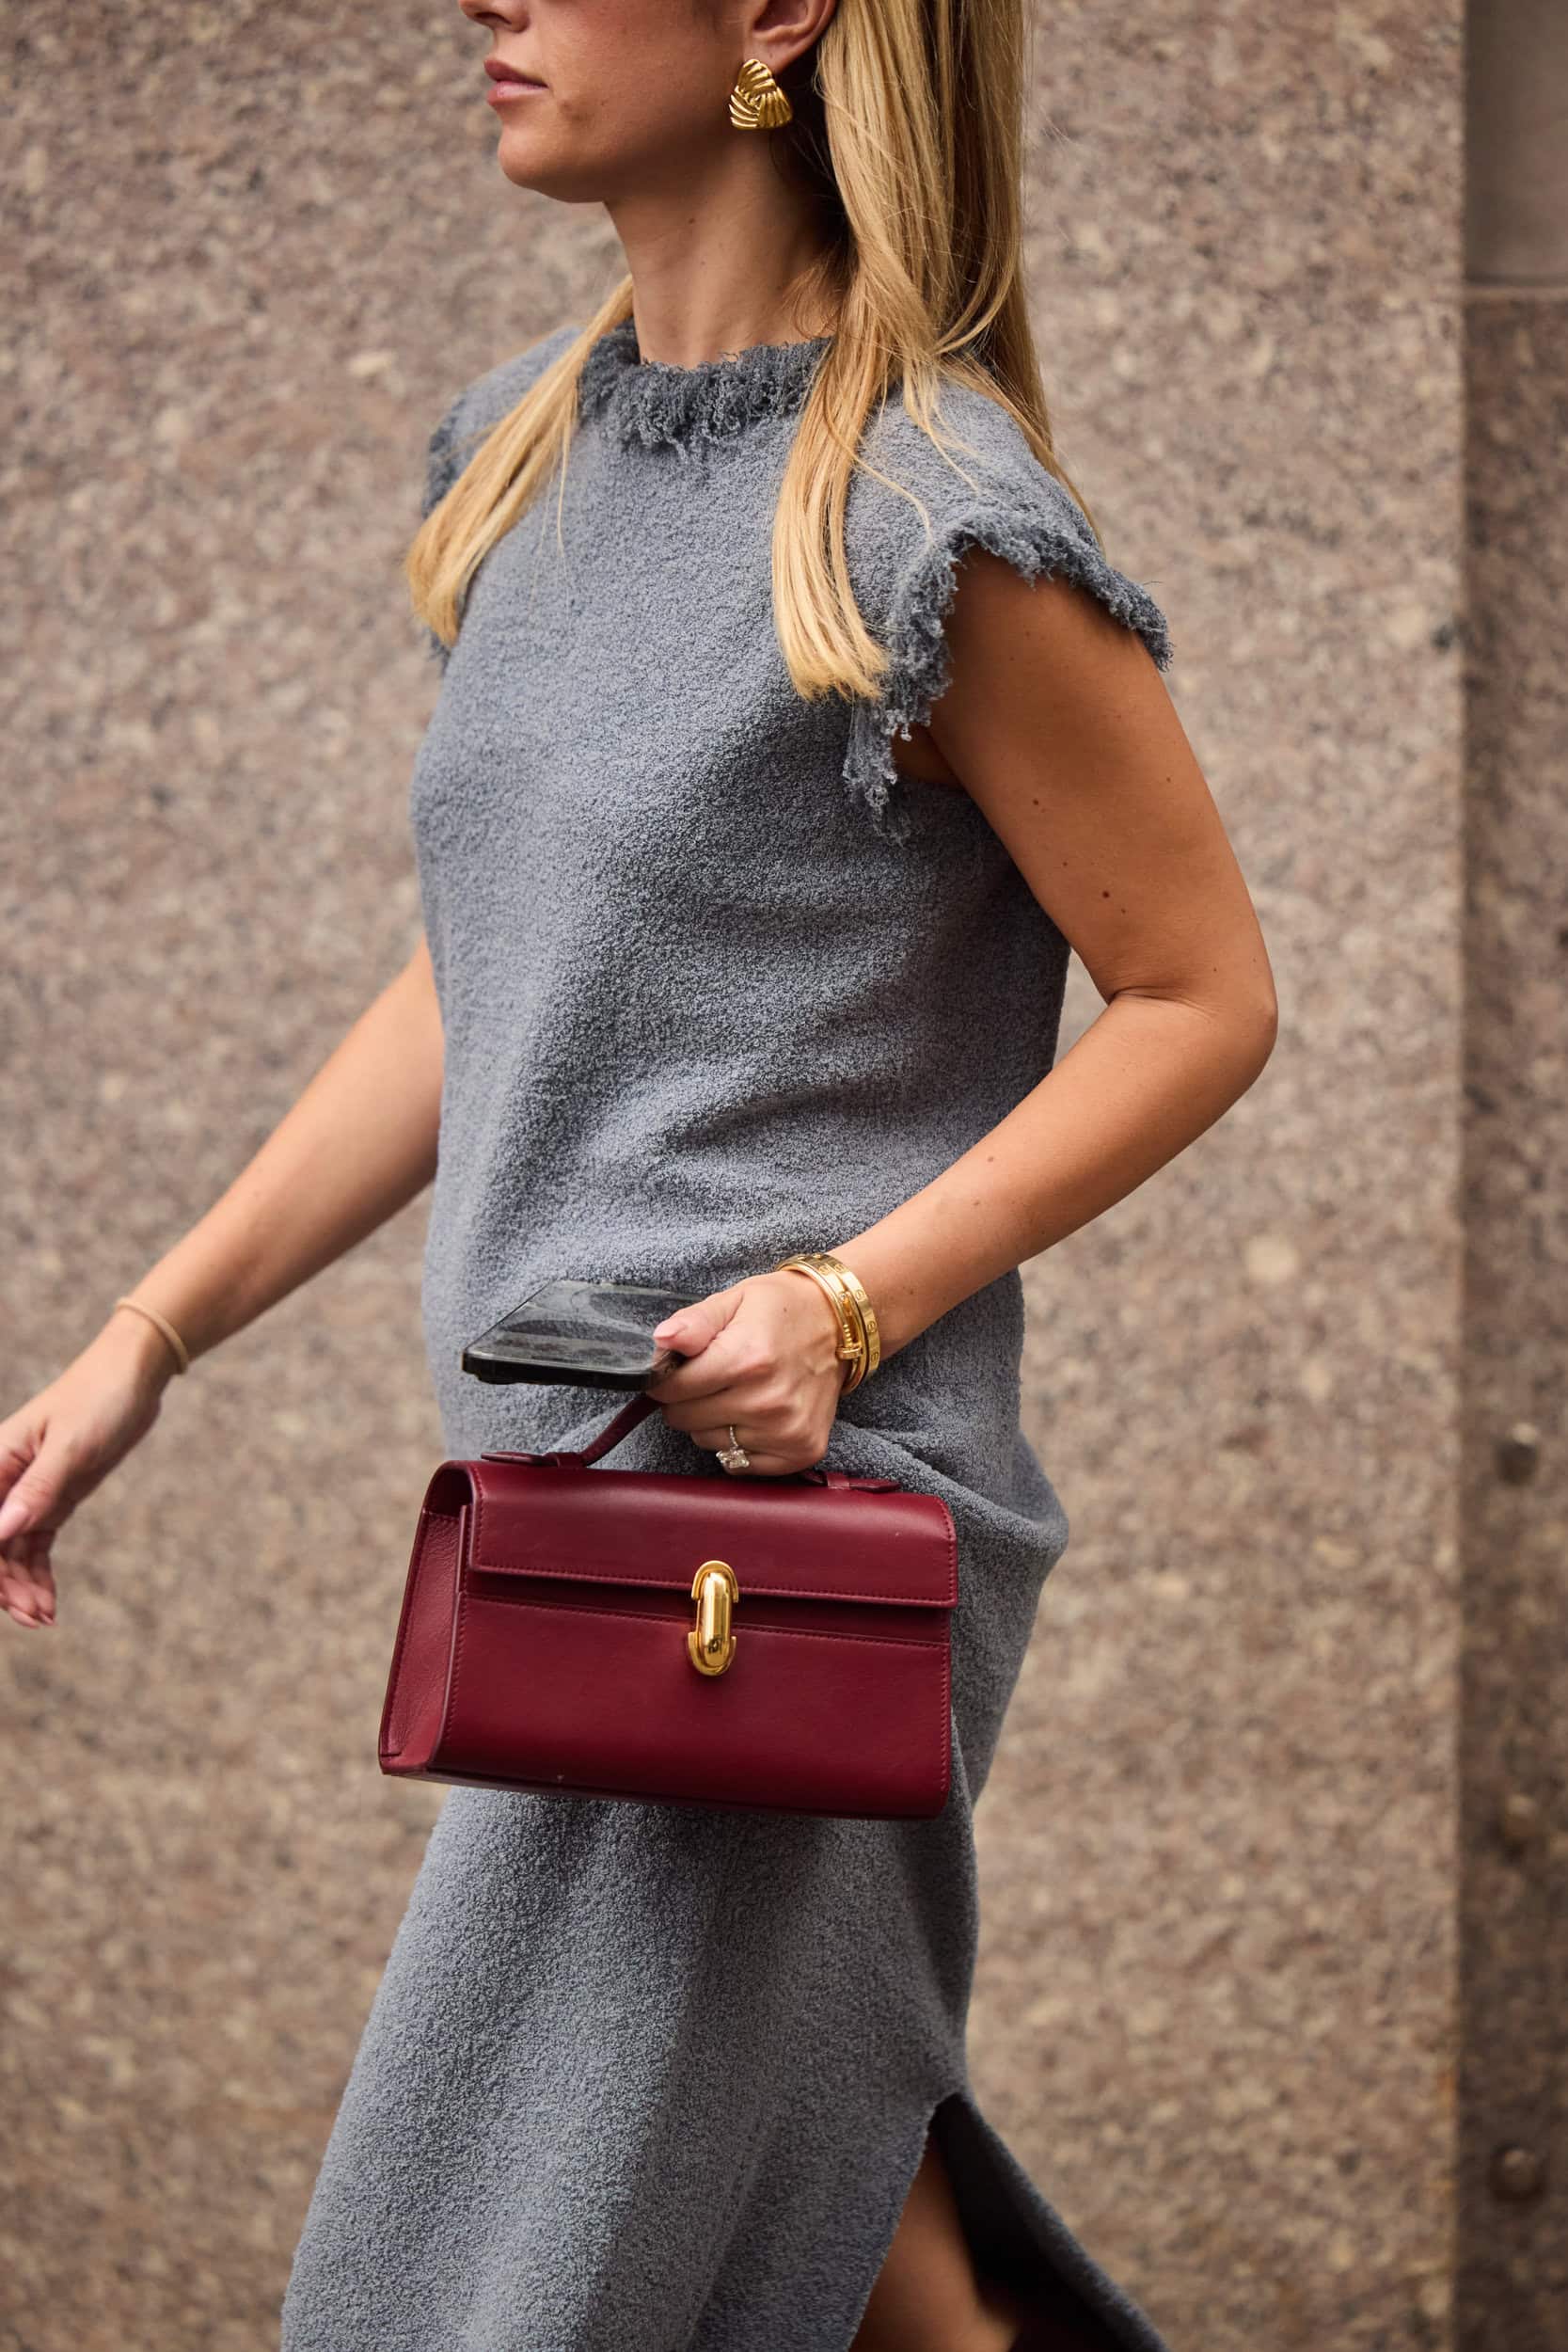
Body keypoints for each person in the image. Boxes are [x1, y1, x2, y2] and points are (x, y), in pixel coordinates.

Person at [0, 3, 1278, 2347]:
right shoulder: (532, 451)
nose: (486, 2)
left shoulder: (926, 512)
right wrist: (148, 1333)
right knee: (823, 2250)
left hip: (774, 1538)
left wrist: (849, 1299)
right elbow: (485, 970)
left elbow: (1204, 990)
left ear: (779, 14)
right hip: (571, 1519)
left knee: (476, 2281)